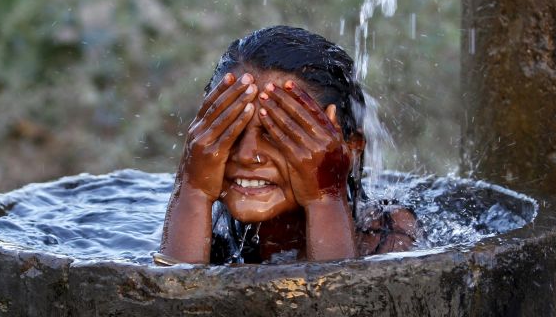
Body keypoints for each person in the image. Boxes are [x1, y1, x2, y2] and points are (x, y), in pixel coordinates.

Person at [156, 25, 418, 265]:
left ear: (349, 149)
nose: (247, 155)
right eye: (230, 130)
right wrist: (192, 189)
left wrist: (325, 198)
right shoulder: (197, 229)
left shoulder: (386, 237)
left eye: (276, 134)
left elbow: (335, 310)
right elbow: (173, 305)